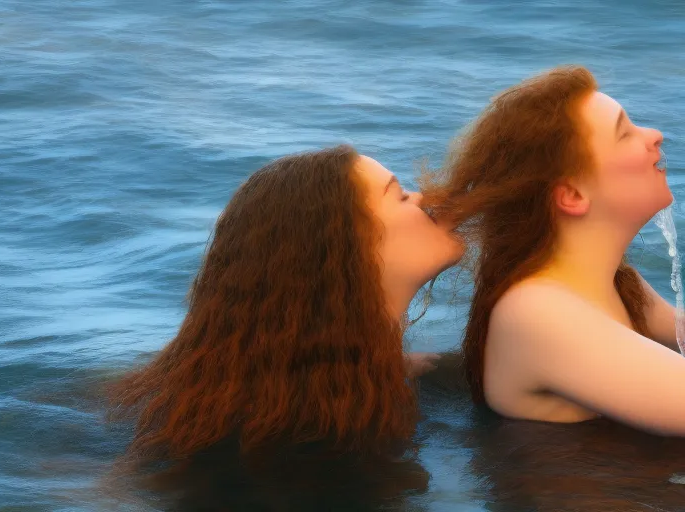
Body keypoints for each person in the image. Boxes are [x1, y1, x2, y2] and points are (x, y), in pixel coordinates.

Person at [107, 145, 464, 482]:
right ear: (344, 248)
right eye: (400, 195)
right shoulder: (316, 439)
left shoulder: (330, 387)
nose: (423, 199)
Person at [421, 65, 685, 435]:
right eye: (625, 133)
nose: (655, 136)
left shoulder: (616, 283)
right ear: (573, 195)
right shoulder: (537, 313)